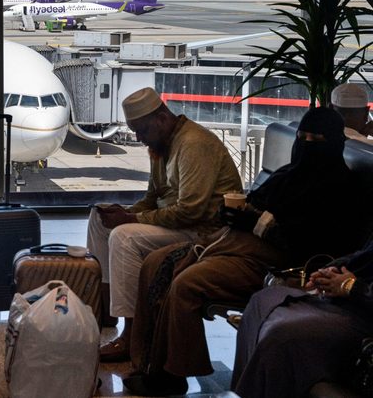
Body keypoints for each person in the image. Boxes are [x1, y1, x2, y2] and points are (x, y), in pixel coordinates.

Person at [124, 107, 372, 396]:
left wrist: (259, 225)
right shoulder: (289, 174)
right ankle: (146, 362)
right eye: (302, 136)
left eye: (315, 139)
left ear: (332, 143)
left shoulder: (343, 190)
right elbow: (255, 201)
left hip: (277, 264)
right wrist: (235, 214)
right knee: (154, 262)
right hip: (238, 247)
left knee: (186, 284)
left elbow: (314, 244)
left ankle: (172, 373)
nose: (306, 144)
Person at [87, 87, 243, 361]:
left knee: (124, 237)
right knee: (99, 220)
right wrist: (126, 211)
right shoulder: (160, 144)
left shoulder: (193, 143)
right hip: (179, 222)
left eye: (142, 131)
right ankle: (107, 309)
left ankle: (130, 334)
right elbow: (153, 197)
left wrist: (132, 219)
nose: (138, 138)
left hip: (207, 232)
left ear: (160, 119)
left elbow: (191, 211)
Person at [232, 238, 373, 398]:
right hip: (350, 303)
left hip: (366, 321)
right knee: (262, 300)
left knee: (283, 335)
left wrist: (351, 286)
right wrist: (330, 272)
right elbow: (365, 256)